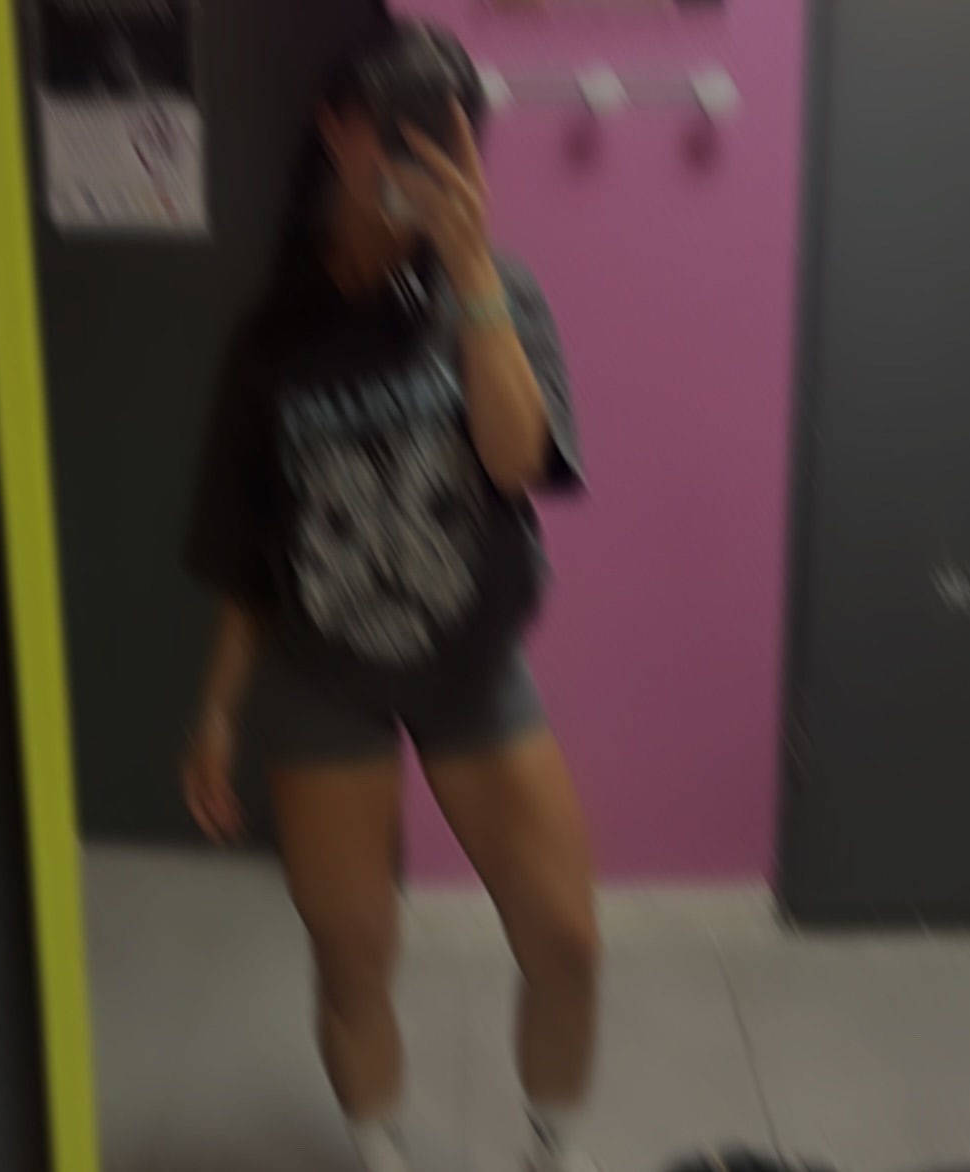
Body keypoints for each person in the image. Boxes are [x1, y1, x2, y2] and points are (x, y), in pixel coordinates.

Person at [181, 18, 601, 1172]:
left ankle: (552, 1149)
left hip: (471, 667)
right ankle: (378, 1147)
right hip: (321, 676)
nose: (418, 156)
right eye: (394, 129)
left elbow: (516, 460)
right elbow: (246, 551)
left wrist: (473, 281)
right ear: (335, 127)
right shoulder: (271, 339)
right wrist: (216, 710)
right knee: (353, 957)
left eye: (444, 134)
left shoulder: (500, 291)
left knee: (567, 941)